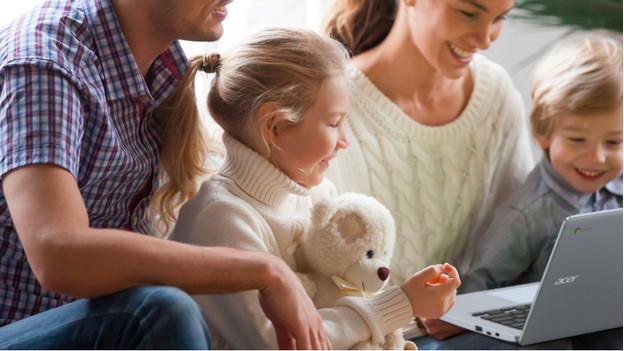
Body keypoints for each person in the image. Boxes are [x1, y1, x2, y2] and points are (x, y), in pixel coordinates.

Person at [0, 0, 331, 349]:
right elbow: (58, 254)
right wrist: (266, 270)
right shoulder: (44, 63)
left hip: (86, 325)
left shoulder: (158, 64)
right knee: (162, 310)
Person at [170, 27, 461, 350]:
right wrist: (402, 303)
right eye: (334, 123)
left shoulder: (318, 194)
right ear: (275, 126)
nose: (345, 140)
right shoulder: (222, 219)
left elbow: (340, 299)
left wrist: (417, 311)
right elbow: (285, 344)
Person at [322, 0, 534, 340]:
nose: (486, 39)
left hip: (480, 332)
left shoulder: (496, 94)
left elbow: (525, 242)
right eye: (469, 13)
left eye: (500, 18)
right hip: (378, 340)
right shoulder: (332, 110)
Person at [443, 30, 624, 350]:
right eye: (577, 140)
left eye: (614, 142)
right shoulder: (526, 212)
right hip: (537, 329)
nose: (597, 157)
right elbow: (478, 286)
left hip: (599, 316)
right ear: (544, 133)